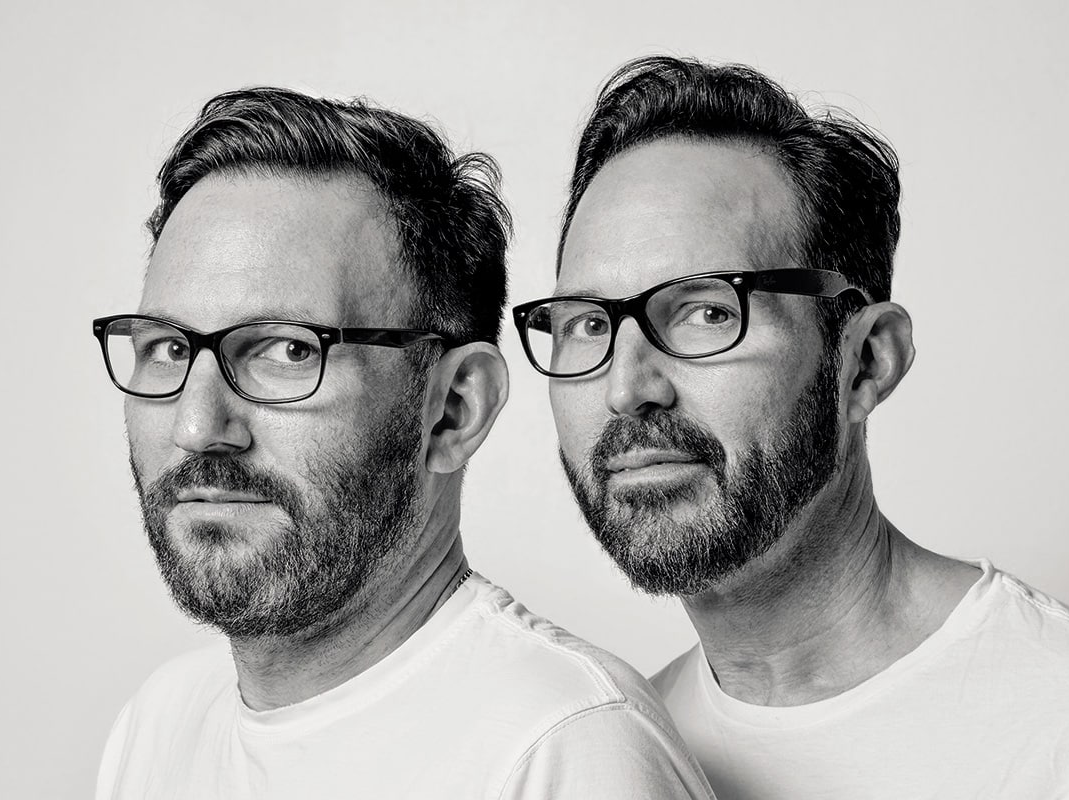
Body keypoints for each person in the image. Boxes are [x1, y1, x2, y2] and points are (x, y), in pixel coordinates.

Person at [91, 86, 714, 799]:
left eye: (288, 350)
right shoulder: (159, 724)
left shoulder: (563, 753)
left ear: (453, 409)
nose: (197, 427)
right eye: (169, 349)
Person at [513, 56, 1069, 799]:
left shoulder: (1064, 726)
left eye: (707, 311)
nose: (628, 389)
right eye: (589, 324)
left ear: (866, 361)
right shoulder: (607, 757)